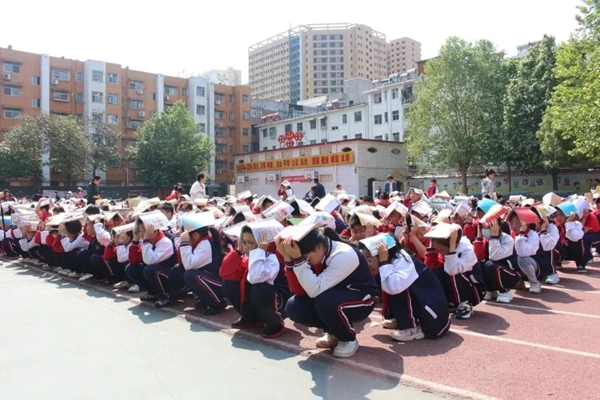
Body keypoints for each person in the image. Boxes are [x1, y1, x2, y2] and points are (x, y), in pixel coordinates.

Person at [277, 226, 380, 358]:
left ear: (319, 247)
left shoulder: (343, 254)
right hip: (333, 295)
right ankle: (333, 332)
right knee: (294, 306)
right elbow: (299, 291)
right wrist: (289, 260)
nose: (304, 261)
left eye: (305, 257)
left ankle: (348, 339)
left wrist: (298, 260)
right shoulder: (318, 254)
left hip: (363, 299)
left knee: (325, 300)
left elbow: (314, 290)